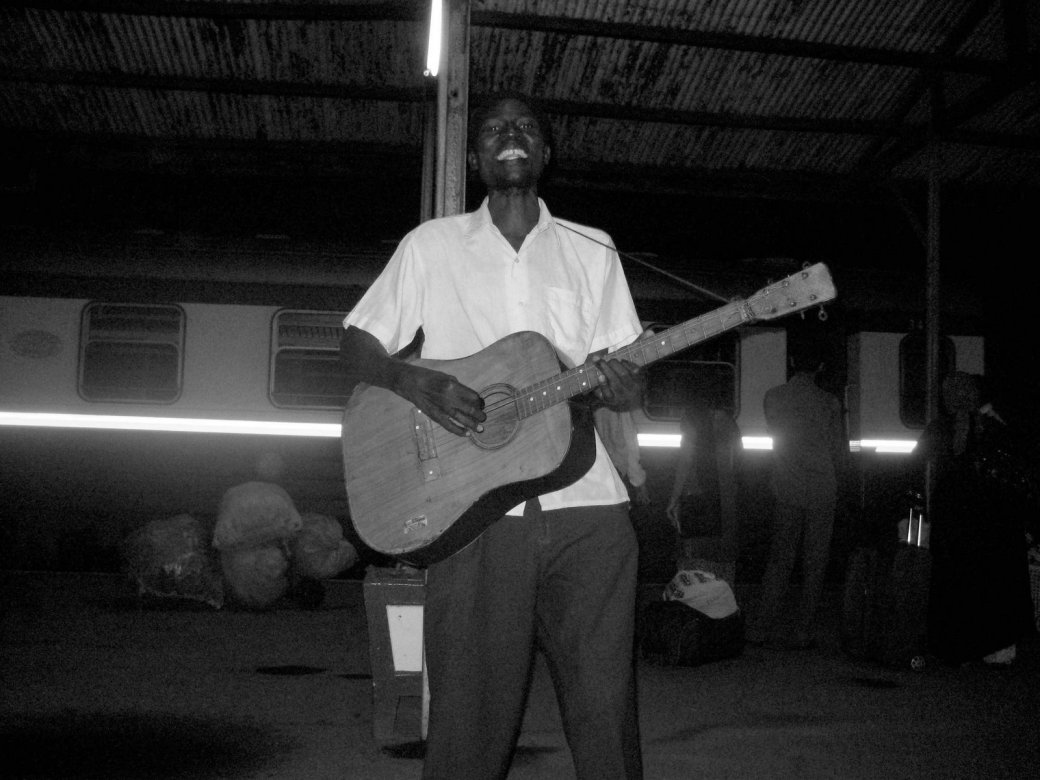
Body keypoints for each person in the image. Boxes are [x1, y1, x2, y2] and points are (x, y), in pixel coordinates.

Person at [339, 93, 645, 779]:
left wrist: (628, 386)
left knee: (608, 717)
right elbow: (355, 344)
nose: (511, 136)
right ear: (477, 157)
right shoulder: (430, 246)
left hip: (589, 509)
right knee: (467, 727)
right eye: (495, 129)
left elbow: (624, 363)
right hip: (475, 515)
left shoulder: (592, 250)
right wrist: (413, 381)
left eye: (527, 129)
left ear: (545, 153)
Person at [915, 371, 1034, 666]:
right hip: (992, 522)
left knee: (952, 581)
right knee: (991, 581)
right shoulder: (995, 429)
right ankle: (995, 647)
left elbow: (916, 463)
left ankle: (953, 646)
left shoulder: (938, 429)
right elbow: (1018, 471)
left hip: (950, 520)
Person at [745, 346, 847, 649]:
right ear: (820, 366)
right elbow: (836, 448)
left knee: (780, 558)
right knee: (815, 562)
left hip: (786, 485)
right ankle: (802, 630)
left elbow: (774, 431)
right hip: (822, 489)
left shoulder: (773, 397)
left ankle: (761, 628)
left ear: (791, 362)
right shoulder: (829, 402)